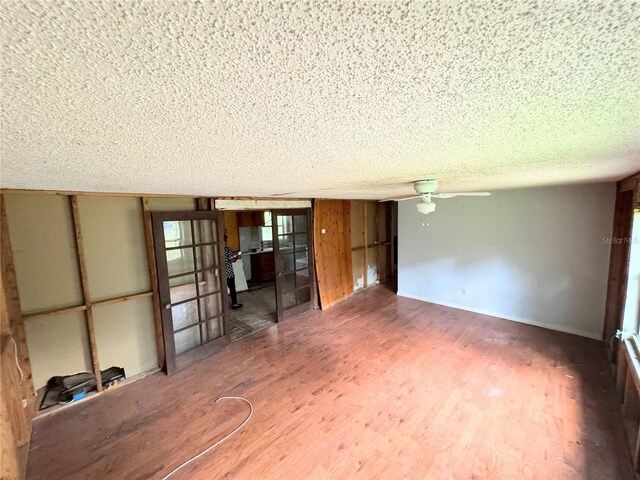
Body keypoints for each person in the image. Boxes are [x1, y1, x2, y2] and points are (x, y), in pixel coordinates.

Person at [224, 234, 243, 310]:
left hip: (220, 274)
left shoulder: (216, 250)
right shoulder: (227, 249)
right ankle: (234, 304)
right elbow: (232, 260)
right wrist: (237, 256)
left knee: (222, 290)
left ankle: (222, 305)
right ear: (225, 241)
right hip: (229, 272)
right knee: (232, 288)